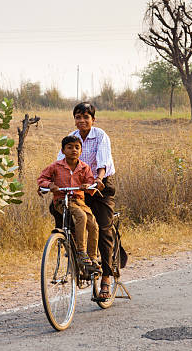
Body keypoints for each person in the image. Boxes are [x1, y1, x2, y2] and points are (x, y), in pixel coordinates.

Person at [55, 102, 116, 299]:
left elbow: (103, 160)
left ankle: (106, 277)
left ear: (93, 119)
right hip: (77, 187)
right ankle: (68, 242)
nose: (81, 121)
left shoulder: (100, 136)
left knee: (103, 228)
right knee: (57, 206)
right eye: (78, 117)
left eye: (86, 117)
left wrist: (98, 179)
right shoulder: (71, 137)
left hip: (98, 186)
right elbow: (59, 163)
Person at [38, 135, 101, 270]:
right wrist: (50, 185)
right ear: (63, 150)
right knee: (81, 216)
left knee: (93, 224)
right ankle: (81, 251)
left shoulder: (85, 167)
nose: (74, 150)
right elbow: (42, 179)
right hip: (62, 200)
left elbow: (91, 184)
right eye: (69, 147)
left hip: (79, 201)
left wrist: (87, 185)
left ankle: (92, 257)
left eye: (77, 147)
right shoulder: (55, 166)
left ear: (81, 151)